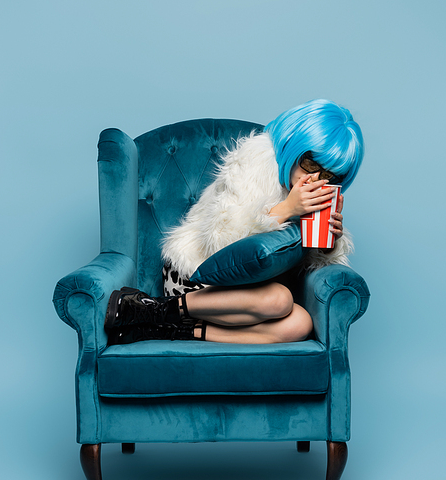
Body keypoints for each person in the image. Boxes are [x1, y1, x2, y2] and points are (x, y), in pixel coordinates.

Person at [105, 99, 364, 346]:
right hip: (196, 277)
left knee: (299, 324)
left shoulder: (319, 196)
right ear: (295, 146)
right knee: (281, 298)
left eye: (329, 175)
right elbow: (223, 241)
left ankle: (165, 327)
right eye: (309, 164)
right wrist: (287, 209)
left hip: (251, 292)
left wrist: (329, 245)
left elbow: (293, 257)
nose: (316, 179)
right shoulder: (256, 161)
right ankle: (152, 307)